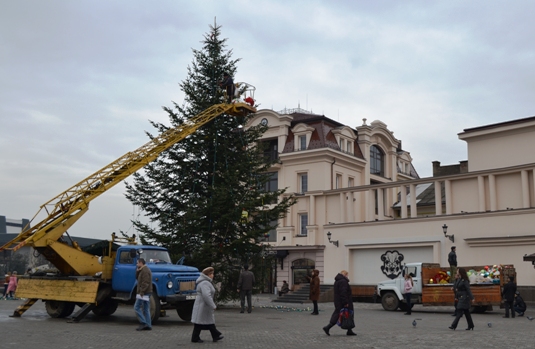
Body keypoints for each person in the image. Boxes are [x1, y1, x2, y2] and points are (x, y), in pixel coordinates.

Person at [191, 267, 223, 343]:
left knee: (205, 321)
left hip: (204, 306)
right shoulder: (205, 283)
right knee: (200, 322)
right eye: (211, 274)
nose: (213, 275)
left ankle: (215, 335)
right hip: (203, 306)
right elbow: (206, 295)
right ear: (207, 275)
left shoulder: (204, 282)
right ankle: (196, 337)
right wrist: (213, 305)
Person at [323, 270, 356, 336]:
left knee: (346, 314)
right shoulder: (343, 282)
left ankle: (349, 330)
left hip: (338, 301)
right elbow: (343, 292)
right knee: (341, 314)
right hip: (343, 301)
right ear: (345, 275)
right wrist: (345, 302)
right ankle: (328, 327)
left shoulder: (338, 281)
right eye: (347, 275)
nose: (347, 276)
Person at [134, 258, 152, 331]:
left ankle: (143, 322)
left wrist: (141, 292)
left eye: (137, 263)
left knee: (136, 307)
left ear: (141, 263)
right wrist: (137, 272)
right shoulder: (142, 270)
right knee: (145, 309)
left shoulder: (145, 270)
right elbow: (138, 279)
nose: (136, 264)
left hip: (144, 293)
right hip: (147, 292)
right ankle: (148, 325)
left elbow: (145, 282)